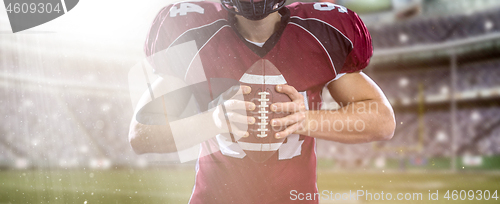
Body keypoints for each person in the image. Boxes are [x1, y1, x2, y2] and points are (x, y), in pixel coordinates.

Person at [129, 0, 396, 203]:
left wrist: (306, 119)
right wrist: (214, 121)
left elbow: (383, 121)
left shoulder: (320, 34)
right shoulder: (195, 34)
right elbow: (141, 135)